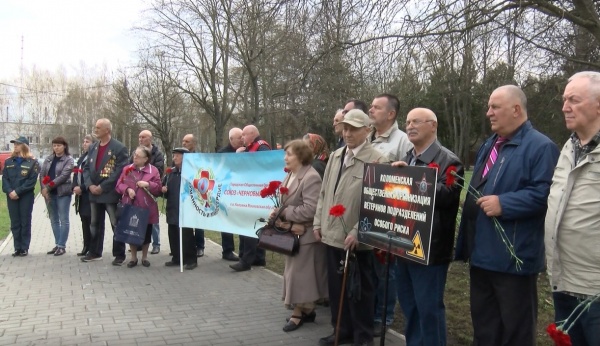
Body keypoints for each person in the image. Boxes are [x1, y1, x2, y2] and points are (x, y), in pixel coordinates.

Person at [454, 85, 559, 345]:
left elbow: (547, 194)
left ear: (516, 109)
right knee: (485, 328)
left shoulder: (541, 147)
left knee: (515, 332)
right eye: (489, 106)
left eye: (495, 107)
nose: (488, 112)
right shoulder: (490, 144)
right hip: (481, 254)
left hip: (514, 259)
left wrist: (506, 203)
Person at [314, 109, 389, 346]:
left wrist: (358, 230)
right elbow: (324, 194)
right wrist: (318, 222)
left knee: (360, 292)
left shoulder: (378, 160)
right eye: (345, 128)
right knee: (336, 289)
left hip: (359, 242)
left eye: (354, 129)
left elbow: (378, 204)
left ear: (367, 130)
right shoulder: (336, 156)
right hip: (332, 235)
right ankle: (341, 329)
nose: (348, 133)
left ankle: (363, 336)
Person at [391, 108, 463, 345]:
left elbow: (448, 196)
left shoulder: (449, 160)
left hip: (430, 250)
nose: (410, 126)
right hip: (404, 244)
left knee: (429, 311)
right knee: (410, 308)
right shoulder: (408, 156)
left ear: (433, 125)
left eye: (416, 122)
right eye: (408, 121)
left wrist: (412, 177)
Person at [545, 71, 600, 346]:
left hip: (595, 289)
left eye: (574, 100)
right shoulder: (569, 147)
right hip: (562, 279)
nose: (564, 107)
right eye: (564, 99)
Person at [270, 140, 327, 332]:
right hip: (293, 234)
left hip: (307, 236)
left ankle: (298, 314)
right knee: (296, 274)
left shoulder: (311, 177)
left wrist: (284, 212)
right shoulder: (291, 175)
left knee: (300, 276)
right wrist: (277, 213)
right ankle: (307, 311)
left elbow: (311, 210)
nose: (285, 157)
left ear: (301, 156)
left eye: (289, 154)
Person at [367, 93, 412, 334]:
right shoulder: (368, 138)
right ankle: (370, 311)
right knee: (371, 269)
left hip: (391, 217)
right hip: (369, 213)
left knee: (386, 271)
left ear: (391, 114)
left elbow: (411, 179)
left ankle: (383, 318)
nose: (371, 110)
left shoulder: (402, 141)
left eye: (376, 107)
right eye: (371, 106)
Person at [81, 118, 129, 265]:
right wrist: (89, 185)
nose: (95, 130)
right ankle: (95, 252)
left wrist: (102, 187)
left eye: (98, 127)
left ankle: (119, 254)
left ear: (107, 130)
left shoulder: (119, 148)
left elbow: (119, 171)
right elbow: (86, 169)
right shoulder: (93, 147)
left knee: (115, 223)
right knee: (95, 223)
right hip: (93, 194)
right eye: (95, 127)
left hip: (109, 194)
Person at [229, 125, 270, 272]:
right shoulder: (251, 148)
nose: (241, 139)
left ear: (252, 134)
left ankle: (246, 260)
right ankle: (257, 258)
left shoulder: (262, 147)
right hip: (250, 194)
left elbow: (264, 165)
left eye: (243, 136)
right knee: (255, 227)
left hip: (255, 195)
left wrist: (244, 156)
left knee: (249, 227)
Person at [115, 146, 162, 268]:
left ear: (146, 159)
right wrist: (128, 189)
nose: (135, 157)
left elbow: (158, 188)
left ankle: (145, 257)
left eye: (138, 156)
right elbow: (119, 184)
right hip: (130, 206)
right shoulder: (128, 169)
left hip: (146, 208)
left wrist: (148, 184)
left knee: (146, 233)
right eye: (134, 155)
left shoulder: (153, 171)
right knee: (131, 232)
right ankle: (133, 257)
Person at [2, 136, 39, 257]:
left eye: (18, 144)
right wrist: (9, 191)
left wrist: (17, 192)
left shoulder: (32, 162)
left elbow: (31, 182)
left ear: (24, 146)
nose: (15, 146)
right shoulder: (8, 162)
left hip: (25, 197)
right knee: (15, 222)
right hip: (11, 196)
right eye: (14, 144)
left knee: (25, 221)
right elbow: (5, 179)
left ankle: (24, 247)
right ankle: (17, 247)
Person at [162, 147, 198, 270]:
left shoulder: (191, 173)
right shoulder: (170, 172)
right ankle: (177, 257)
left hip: (185, 209)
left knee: (186, 235)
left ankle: (191, 259)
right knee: (173, 234)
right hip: (172, 208)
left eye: (178, 155)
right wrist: (164, 190)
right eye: (174, 155)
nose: (174, 158)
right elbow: (164, 190)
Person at [40, 136, 75, 256]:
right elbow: (42, 174)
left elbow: (63, 176)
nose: (56, 148)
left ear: (64, 146)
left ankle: (62, 245)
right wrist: (43, 188)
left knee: (63, 219)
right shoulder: (49, 159)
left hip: (63, 193)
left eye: (59, 145)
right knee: (53, 219)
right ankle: (57, 243)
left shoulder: (68, 160)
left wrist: (48, 186)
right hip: (50, 194)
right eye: (54, 145)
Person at [134, 130, 165, 255]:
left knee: (153, 220)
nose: (140, 139)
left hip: (151, 190)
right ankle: (139, 243)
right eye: (139, 137)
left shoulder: (157, 154)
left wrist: (147, 175)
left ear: (150, 139)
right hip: (138, 191)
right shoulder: (135, 152)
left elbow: (159, 169)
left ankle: (156, 244)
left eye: (143, 137)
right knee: (138, 219)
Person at [216, 127, 243, 262]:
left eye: (243, 137)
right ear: (231, 139)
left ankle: (244, 250)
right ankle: (227, 250)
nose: (242, 140)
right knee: (226, 222)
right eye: (239, 138)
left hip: (241, 192)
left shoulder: (245, 151)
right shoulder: (223, 153)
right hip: (226, 192)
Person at [182, 133, 206, 258]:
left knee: (198, 222)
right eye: (183, 141)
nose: (184, 143)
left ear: (194, 144)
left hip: (197, 192)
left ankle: (200, 246)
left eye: (187, 141)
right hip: (184, 193)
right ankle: (187, 246)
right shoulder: (181, 156)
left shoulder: (199, 157)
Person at [73, 135, 95, 256]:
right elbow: (76, 174)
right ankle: (85, 246)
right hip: (80, 195)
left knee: (91, 220)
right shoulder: (82, 158)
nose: (84, 144)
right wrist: (74, 186)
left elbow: (91, 176)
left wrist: (82, 188)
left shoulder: (93, 157)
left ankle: (92, 247)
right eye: (84, 142)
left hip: (89, 193)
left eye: (87, 142)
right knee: (84, 220)